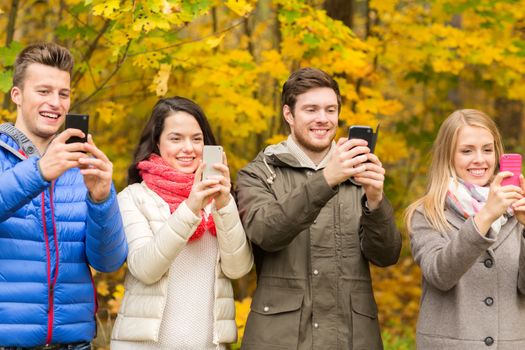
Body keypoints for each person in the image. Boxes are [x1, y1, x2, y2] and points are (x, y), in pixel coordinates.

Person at [235, 67, 402, 349]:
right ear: (289, 114)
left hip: (352, 339)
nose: (322, 119)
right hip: (280, 340)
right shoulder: (258, 173)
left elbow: (387, 256)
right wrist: (326, 179)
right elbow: (266, 233)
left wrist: (376, 200)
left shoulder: (360, 173)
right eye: (311, 109)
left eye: (330, 110)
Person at [0, 42, 127, 348]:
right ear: (17, 95)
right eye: (43, 91)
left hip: (73, 343)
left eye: (63, 94)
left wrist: (101, 200)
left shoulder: (81, 167)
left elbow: (109, 262)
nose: (55, 102)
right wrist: (40, 172)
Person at [110, 96, 253, 349]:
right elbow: (145, 268)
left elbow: (238, 269)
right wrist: (190, 207)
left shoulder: (219, 201)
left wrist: (224, 204)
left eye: (196, 139)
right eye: (176, 138)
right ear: (157, 142)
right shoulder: (133, 198)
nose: (188, 148)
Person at [406, 109, 525, 349]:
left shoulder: (515, 210)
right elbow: (441, 274)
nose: (480, 159)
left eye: (487, 150)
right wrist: (486, 216)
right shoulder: (426, 213)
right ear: (448, 157)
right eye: (467, 150)